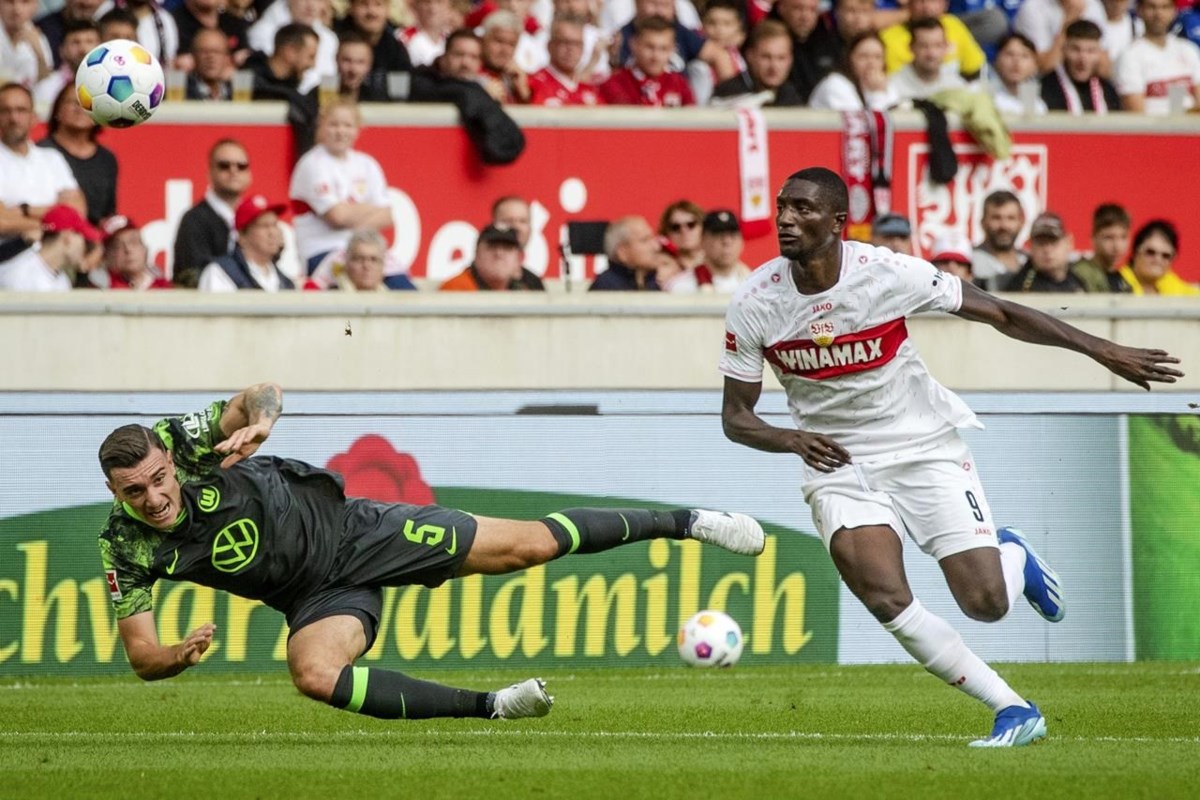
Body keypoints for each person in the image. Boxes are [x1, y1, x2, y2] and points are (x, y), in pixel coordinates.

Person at [719, 166, 1182, 748]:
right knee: (885, 595)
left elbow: (1001, 312)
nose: (786, 218)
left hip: (922, 446)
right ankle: (1013, 708)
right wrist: (790, 438)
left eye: (804, 209)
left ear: (838, 223)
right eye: (784, 207)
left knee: (985, 604)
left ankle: (1013, 557)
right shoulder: (756, 302)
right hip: (838, 464)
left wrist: (1102, 349)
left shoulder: (887, 273)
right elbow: (736, 417)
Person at [96, 382, 765, 721]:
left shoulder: (176, 439)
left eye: (158, 479)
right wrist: (177, 657)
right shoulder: (125, 546)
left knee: (526, 547)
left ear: (168, 461)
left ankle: (689, 520)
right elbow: (142, 658)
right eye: (135, 491)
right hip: (314, 596)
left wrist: (262, 419)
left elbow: (258, 392)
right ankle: (493, 707)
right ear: (113, 491)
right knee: (311, 673)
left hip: (359, 531)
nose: (154, 496)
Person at [288, 98, 391, 273]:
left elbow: (386, 216)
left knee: (403, 286)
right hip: (321, 252)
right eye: (333, 125)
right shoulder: (312, 163)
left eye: (347, 125)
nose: (340, 131)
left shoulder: (367, 163)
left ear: (358, 130)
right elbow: (337, 217)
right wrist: (368, 209)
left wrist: (350, 219)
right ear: (321, 127)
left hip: (364, 252)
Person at [0, 82, 85, 265]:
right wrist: (55, 220)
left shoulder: (52, 159)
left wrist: (24, 210)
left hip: (57, 261)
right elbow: (1, 222)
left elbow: (77, 213)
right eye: (5, 111)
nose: (14, 118)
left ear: (34, 118)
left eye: (21, 110)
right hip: (10, 259)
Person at [172, 138, 251, 287]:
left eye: (241, 166)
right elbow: (191, 276)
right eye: (224, 165)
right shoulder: (194, 220)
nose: (233, 171)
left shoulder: (255, 221)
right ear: (209, 172)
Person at [37, 83, 118, 225]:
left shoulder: (107, 159)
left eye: (87, 103)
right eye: (73, 102)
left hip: (95, 240)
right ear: (57, 110)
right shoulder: (40, 153)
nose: (80, 108)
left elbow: (108, 213)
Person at [197, 194, 295, 291]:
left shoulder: (286, 282)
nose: (272, 232)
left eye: (275, 224)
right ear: (242, 236)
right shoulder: (220, 272)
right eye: (264, 226)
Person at [1116, 0, 1200, 113]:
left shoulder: (1188, 49)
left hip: (1190, 128)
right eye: (1152, 7)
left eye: (1165, 7)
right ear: (1139, 11)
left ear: (1174, 11)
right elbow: (1136, 114)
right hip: (1153, 129)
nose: (1158, 14)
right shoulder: (1130, 56)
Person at [599, 15, 695, 107]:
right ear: (634, 44)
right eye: (649, 47)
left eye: (663, 48)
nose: (656, 56)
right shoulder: (614, 85)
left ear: (672, 49)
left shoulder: (679, 84)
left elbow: (692, 119)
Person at [0, 203, 99, 290]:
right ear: (67, 237)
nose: (86, 248)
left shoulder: (63, 281)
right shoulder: (18, 271)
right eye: (85, 242)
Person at [711, 19, 804, 107]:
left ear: (790, 60)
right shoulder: (728, 94)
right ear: (750, 56)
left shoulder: (791, 94)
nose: (774, 66)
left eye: (781, 58)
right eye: (766, 57)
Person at [1040, 20, 1122, 113]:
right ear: (1064, 50)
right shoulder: (1045, 87)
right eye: (1075, 49)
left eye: (1091, 51)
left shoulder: (1108, 90)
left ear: (1100, 54)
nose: (1083, 59)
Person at [1003, 211, 1096, 292]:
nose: (1047, 250)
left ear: (1068, 242)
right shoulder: (1022, 286)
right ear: (1031, 247)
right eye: (1040, 243)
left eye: (1053, 241)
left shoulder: (1079, 281)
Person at [808, 31, 901, 111]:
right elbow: (862, 127)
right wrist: (876, 93)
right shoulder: (835, 84)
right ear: (849, 59)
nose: (871, 63)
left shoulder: (885, 85)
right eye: (864, 56)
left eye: (877, 57)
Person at [439, 224, 544, 291]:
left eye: (507, 248)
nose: (499, 253)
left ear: (518, 260)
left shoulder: (527, 290)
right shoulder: (457, 288)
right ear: (476, 255)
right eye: (492, 247)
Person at [526, 15, 603, 106]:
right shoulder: (532, 84)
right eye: (564, 42)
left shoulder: (590, 91)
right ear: (550, 46)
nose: (570, 49)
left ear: (583, 49)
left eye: (576, 44)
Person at [306, 229, 416, 291]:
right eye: (359, 259)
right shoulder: (329, 298)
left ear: (383, 267)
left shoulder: (396, 303)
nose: (366, 266)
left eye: (374, 260)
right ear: (347, 264)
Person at [888, 18, 967, 101]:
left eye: (938, 45)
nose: (932, 54)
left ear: (945, 47)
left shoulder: (956, 85)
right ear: (911, 47)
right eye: (924, 46)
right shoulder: (893, 86)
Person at [1116, 219, 1200, 294]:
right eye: (1150, 252)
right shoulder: (1115, 285)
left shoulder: (1172, 285)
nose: (1157, 260)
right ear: (1135, 253)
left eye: (1166, 256)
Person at [94, 215, 173, 290]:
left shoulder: (164, 287)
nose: (128, 249)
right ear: (107, 255)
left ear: (144, 248)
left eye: (133, 241)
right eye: (118, 246)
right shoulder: (101, 289)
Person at [971, 190, 1027, 291]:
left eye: (1011, 218)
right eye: (996, 218)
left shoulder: (1029, 262)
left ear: (1021, 223)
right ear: (983, 222)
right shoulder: (969, 261)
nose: (1004, 226)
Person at [588, 215, 663, 291]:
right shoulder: (607, 286)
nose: (656, 247)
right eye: (644, 240)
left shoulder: (658, 282)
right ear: (622, 253)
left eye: (653, 238)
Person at [1072, 203, 1133, 292]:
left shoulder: (1124, 281)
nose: (1117, 246)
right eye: (1109, 237)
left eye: (1123, 237)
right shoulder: (1079, 275)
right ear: (1093, 238)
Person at [989, 32, 1049, 115]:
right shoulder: (982, 95)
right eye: (1009, 54)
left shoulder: (1038, 105)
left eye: (1024, 56)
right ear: (996, 60)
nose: (1017, 62)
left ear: (1034, 65)